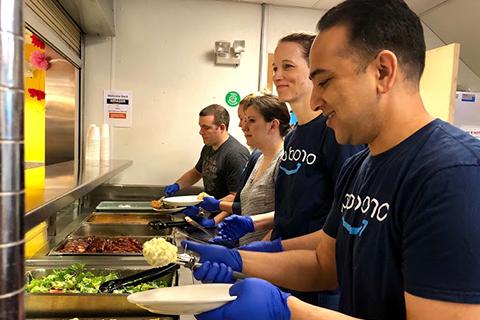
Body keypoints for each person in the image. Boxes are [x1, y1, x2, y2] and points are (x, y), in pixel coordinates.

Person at [182, 1, 480, 319]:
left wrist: (287, 311)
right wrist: (239, 261)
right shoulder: (359, 167)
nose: (314, 100)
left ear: (383, 72)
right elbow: (326, 264)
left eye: (324, 82)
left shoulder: (452, 175)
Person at [209, 32, 364, 307]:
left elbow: (343, 221)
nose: (278, 75)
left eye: (288, 66)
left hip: (318, 276)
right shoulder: (293, 137)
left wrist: (270, 248)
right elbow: (293, 207)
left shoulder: (335, 134)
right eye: (275, 68)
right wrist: (256, 225)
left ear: (313, 70)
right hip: (286, 265)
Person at [188, 95, 290, 244]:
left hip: (264, 257)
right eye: (244, 120)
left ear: (273, 125)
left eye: (251, 121)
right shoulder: (259, 158)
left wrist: (258, 248)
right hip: (247, 251)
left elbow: (286, 217)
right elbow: (247, 207)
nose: (243, 126)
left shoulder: (283, 162)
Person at [163, 104, 249, 203]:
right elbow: (196, 172)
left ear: (221, 128)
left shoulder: (235, 155)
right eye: (200, 127)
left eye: (206, 128)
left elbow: (236, 197)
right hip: (211, 212)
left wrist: (213, 206)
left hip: (224, 216)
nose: (201, 132)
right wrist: (178, 185)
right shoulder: (208, 147)